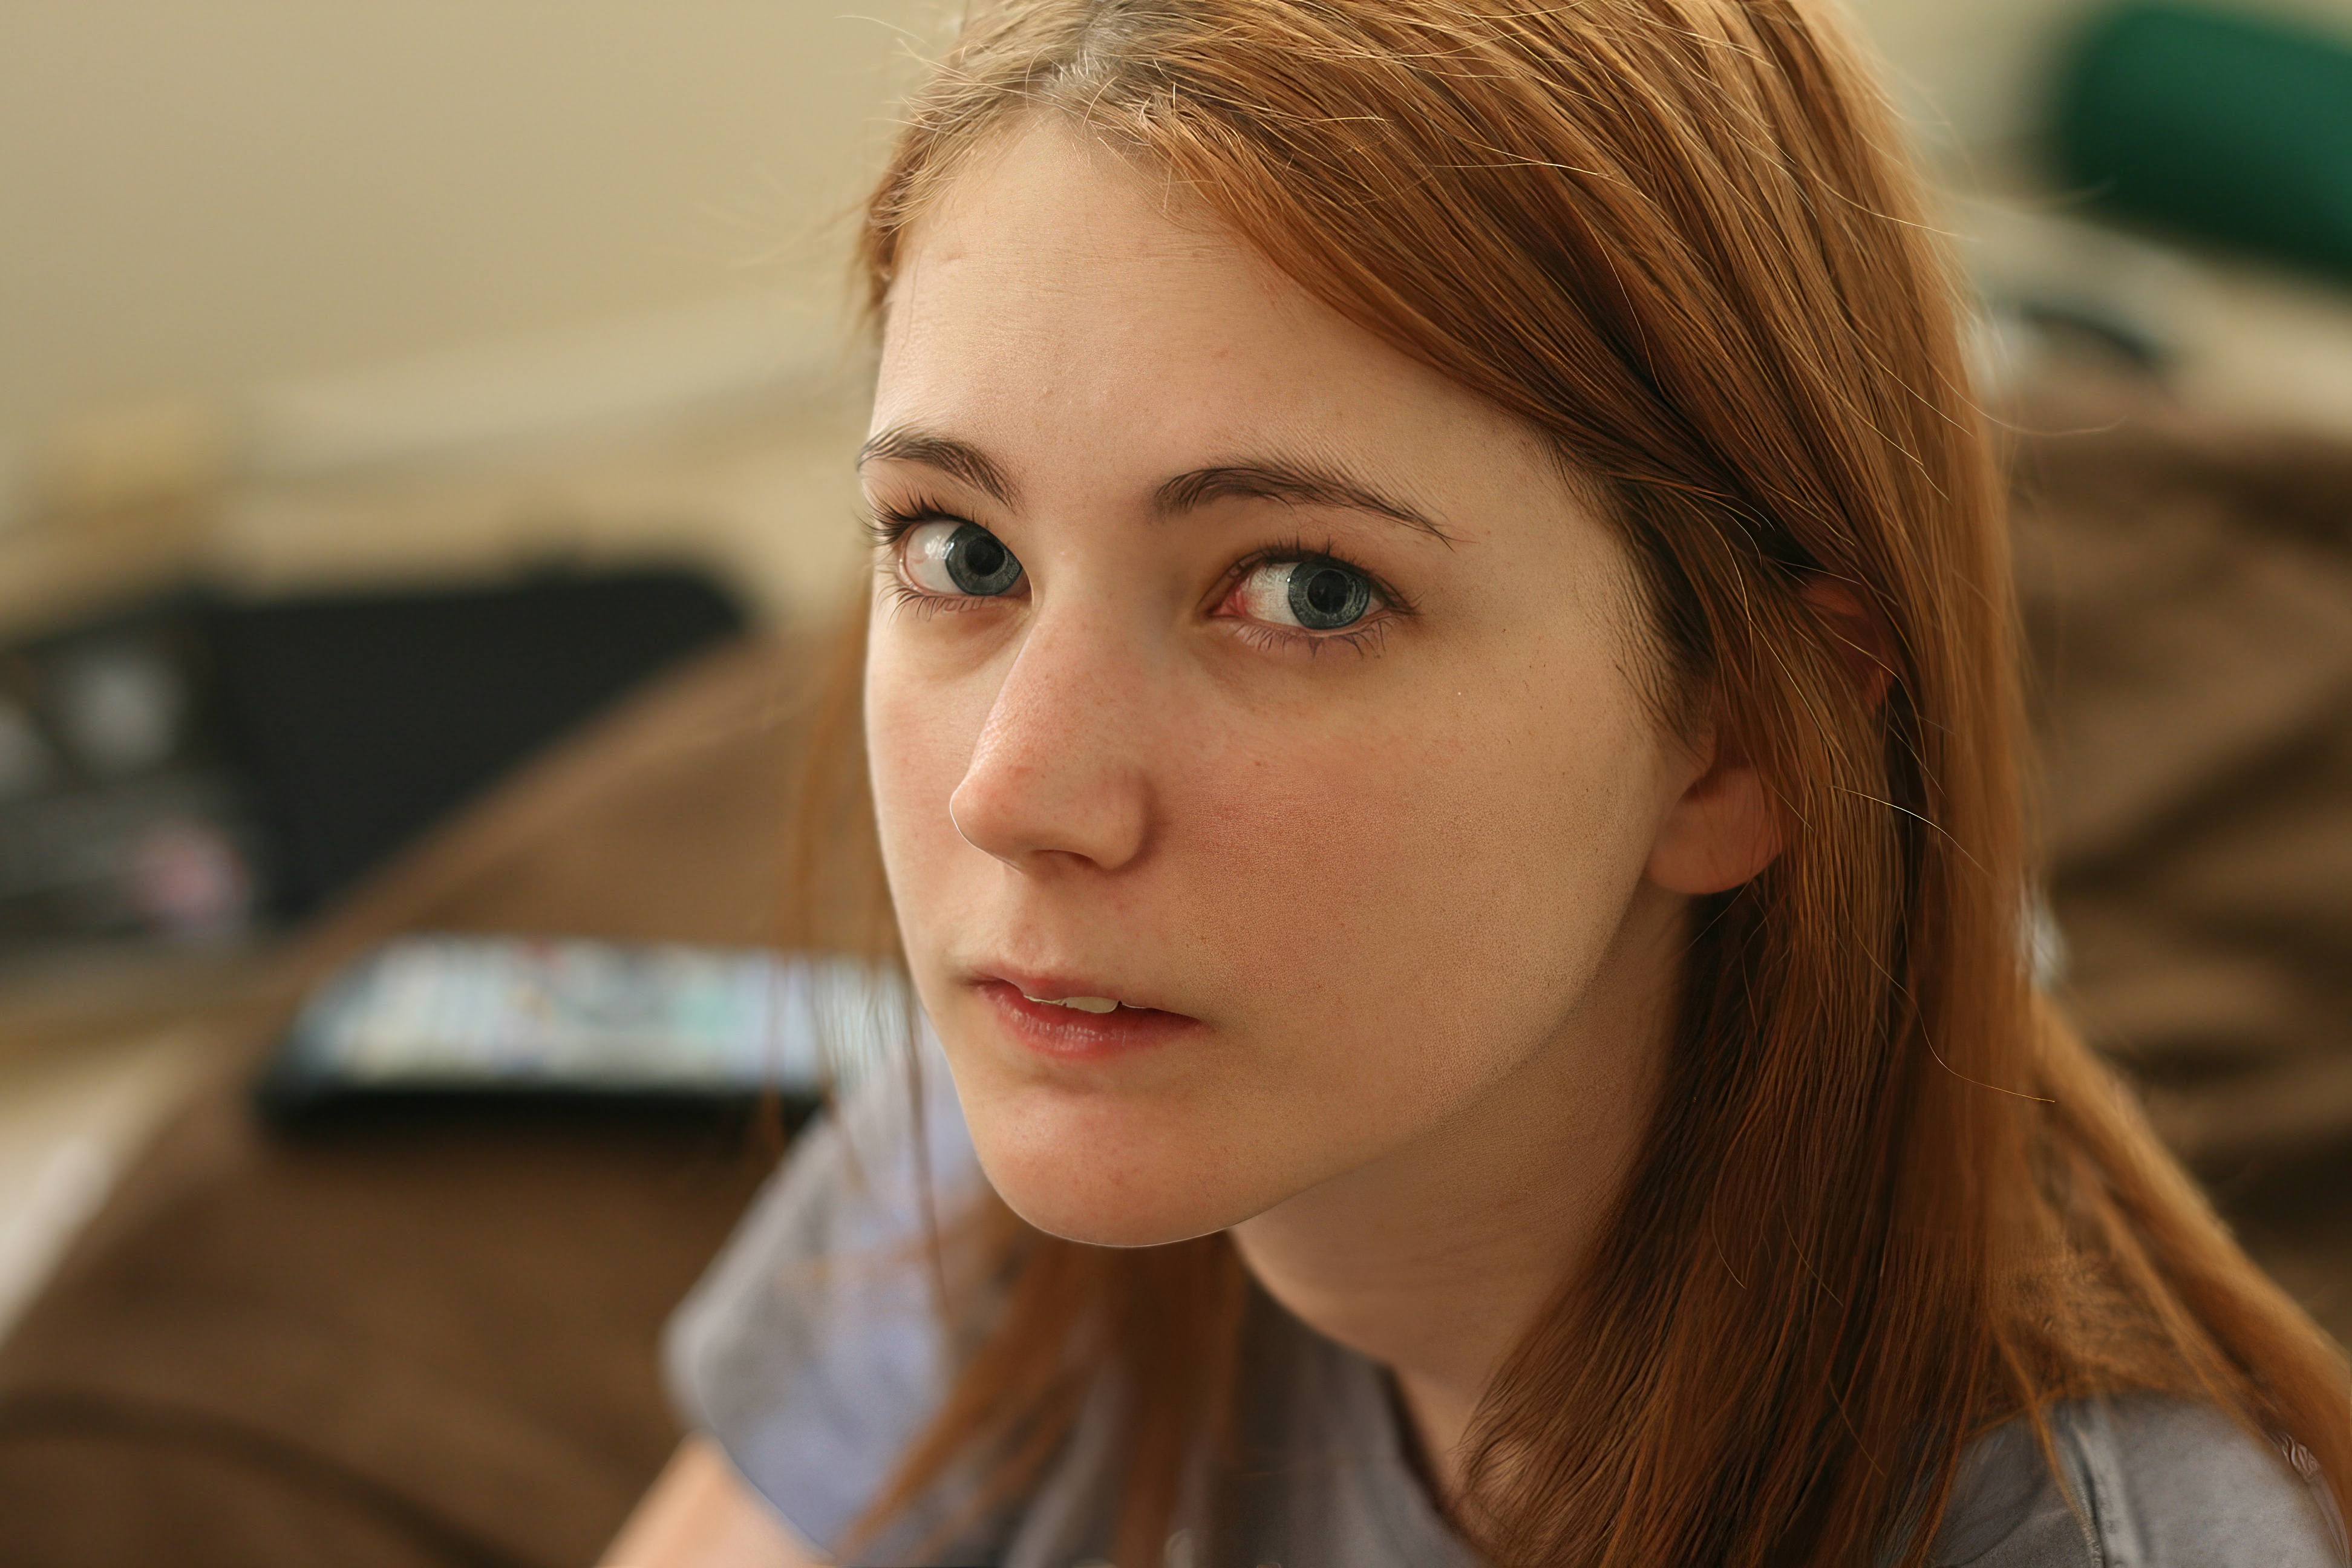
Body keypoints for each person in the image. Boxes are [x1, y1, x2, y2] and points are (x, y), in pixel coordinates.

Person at [605, 1, 2352, 1563]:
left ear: (1746, 732)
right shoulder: (1037, 1094)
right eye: (963, 552)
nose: (1015, 796)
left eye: (1307, 591)